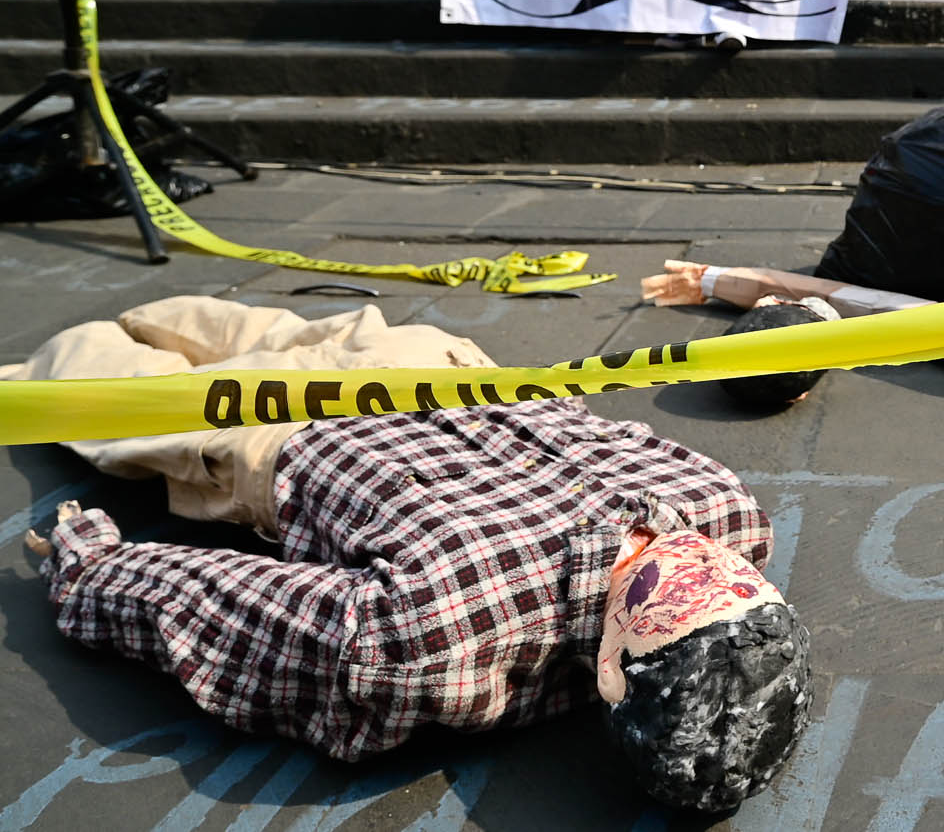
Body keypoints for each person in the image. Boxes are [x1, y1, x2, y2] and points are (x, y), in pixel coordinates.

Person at [16, 297, 811, 813]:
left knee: (76, 372)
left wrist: (92, 570)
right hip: (430, 364)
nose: (703, 561)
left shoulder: (437, 638)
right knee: (187, 316)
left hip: (283, 430)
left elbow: (234, 610)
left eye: (684, 599)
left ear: (610, 672)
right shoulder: (729, 513)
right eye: (739, 582)